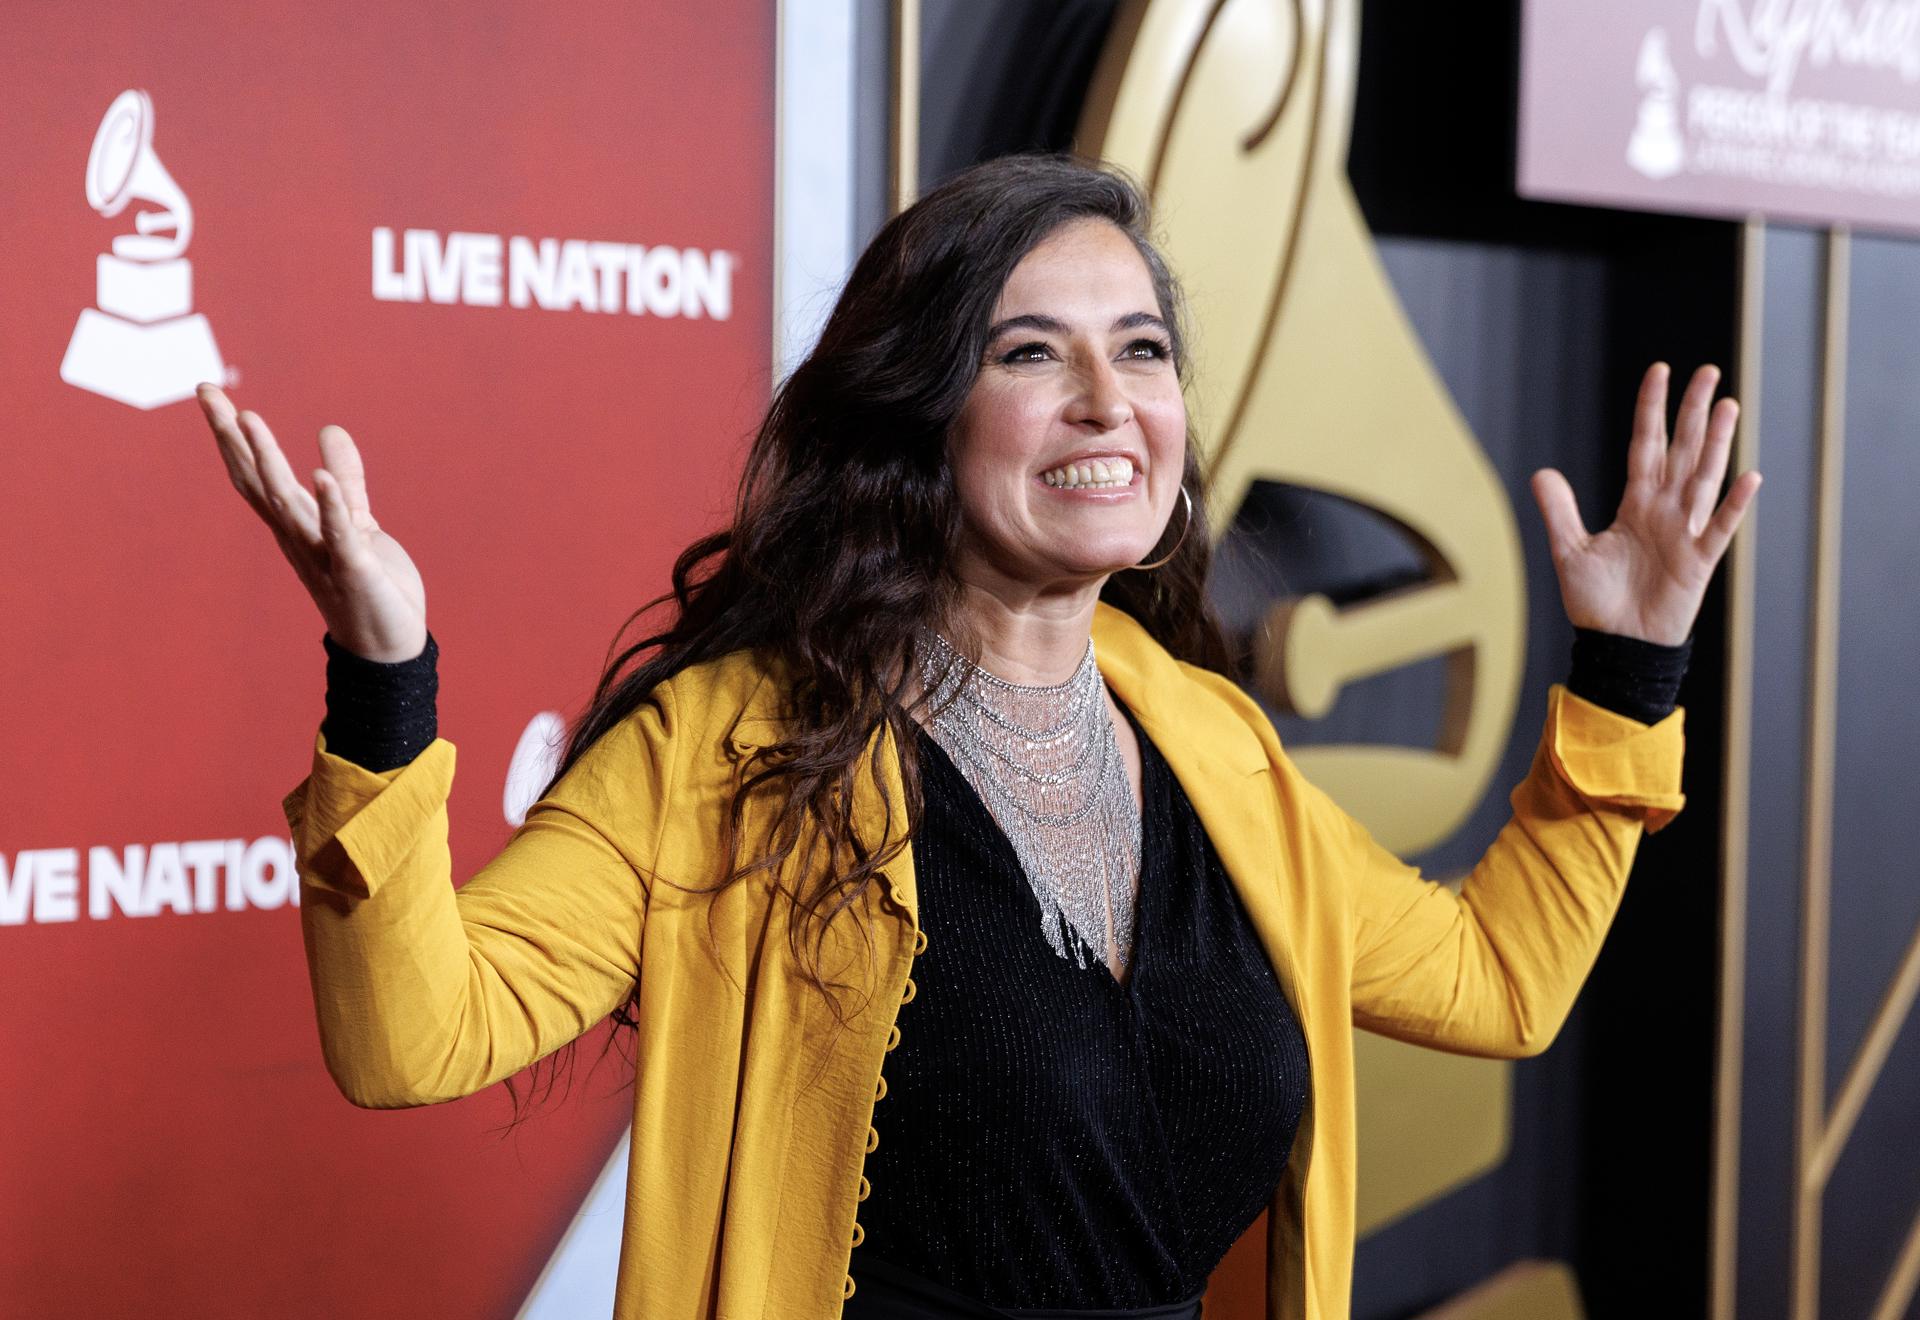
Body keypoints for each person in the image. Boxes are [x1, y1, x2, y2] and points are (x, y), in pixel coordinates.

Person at [194, 152, 1760, 1320]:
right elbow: (413, 1037)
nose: (1107, 400)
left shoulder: (1212, 739)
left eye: (1141, 350)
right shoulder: (729, 751)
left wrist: (1625, 670)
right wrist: (384, 683)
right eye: (1032, 352)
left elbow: (1499, 980)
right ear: (920, 408)